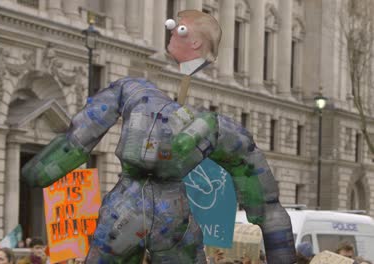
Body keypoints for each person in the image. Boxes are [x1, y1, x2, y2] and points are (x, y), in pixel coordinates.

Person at [22, 9, 295, 264]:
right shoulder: (212, 126)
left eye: (180, 28)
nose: (172, 29)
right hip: (170, 216)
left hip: (128, 210)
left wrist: (39, 172)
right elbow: (266, 204)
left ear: (196, 44)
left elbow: (77, 140)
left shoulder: (136, 92)